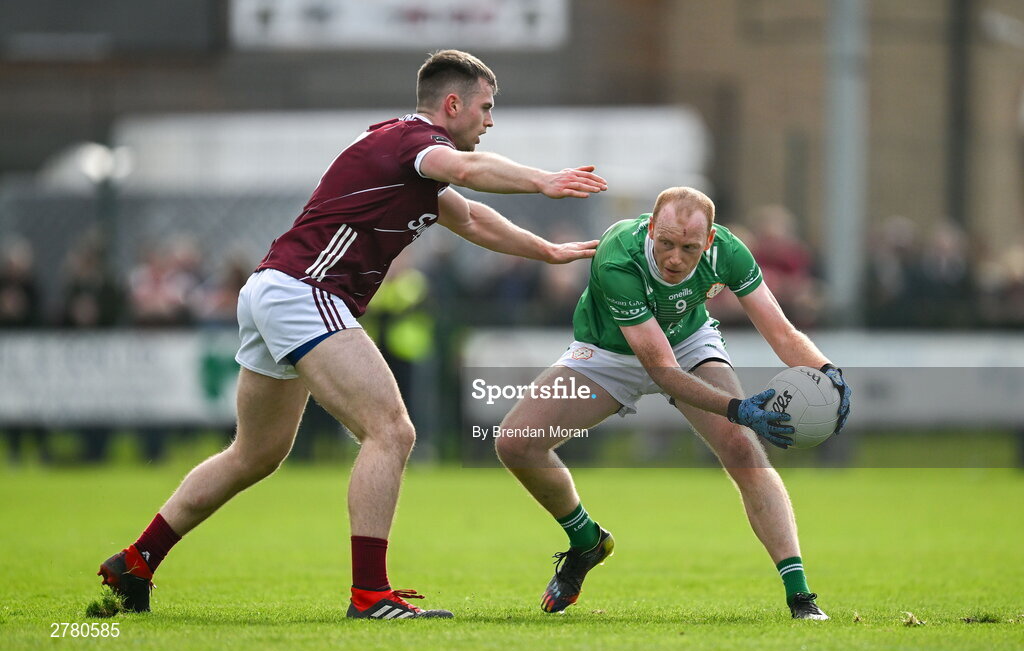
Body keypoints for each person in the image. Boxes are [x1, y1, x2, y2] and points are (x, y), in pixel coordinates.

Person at [97, 49, 606, 620]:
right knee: (391, 430)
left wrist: (546, 251)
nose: (490, 122)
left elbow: (470, 217)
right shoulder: (413, 141)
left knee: (255, 453)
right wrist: (545, 181)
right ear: (453, 104)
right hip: (304, 291)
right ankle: (371, 595)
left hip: (276, 289)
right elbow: (465, 172)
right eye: (486, 108)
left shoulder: (407, 156)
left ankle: (136, 561)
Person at [493, 186, 851, 620]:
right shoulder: (618, 255)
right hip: (611, 353)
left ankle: (801, 597)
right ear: (649, 229)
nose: (675, 259)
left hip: (688, 341)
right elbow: (661, 371)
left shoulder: (730, 253)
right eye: (665, 243)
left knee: (742, 449)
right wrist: (738, 409)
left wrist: (828, 372)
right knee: (515, 442)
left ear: (710, 242)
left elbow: (781, 333)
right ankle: (586, 540)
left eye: (689, 248)